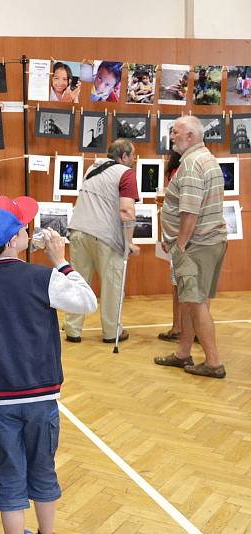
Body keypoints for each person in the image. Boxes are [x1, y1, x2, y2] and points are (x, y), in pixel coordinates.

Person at [0, 196, 97, 534]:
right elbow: (88, 302)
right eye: (24, 227)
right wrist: (61, 262)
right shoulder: (43, 278)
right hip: (41, 397)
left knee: (9, 474)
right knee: (43, 469)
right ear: (14, 240)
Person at [154, 116, 228, 378]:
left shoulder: (192, 164)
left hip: (196, 245)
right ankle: (183, 353)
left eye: (175, 132)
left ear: (190, 137)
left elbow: (190, 212)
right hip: (209, 242)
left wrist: (180, 245)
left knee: (196, 303)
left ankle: (214, 362)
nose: (171, 136)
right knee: (190, 301)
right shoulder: (207, 158)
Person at [63, 139, 140, 343]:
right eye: (133, 155)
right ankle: (112, 333)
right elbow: (127, 210)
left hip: (78, 230)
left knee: (79, 282)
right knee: (113, 285)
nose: (134, 159)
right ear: (123, 157)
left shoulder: (92, 169)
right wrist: (128, 242)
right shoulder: (126, 174)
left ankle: (72, 329)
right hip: (105, 236)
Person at [157, 152, 184, 342]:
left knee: (180, 287)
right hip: (181, 238)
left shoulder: (179, 172)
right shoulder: (185, 171)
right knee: (188, 288)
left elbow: (181, 210)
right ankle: (188, 328)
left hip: (179, 240)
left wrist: (171, 238)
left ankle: (178, 328)